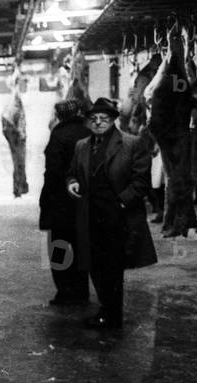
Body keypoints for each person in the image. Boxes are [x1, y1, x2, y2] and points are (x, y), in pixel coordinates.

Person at [66, 97, 157, 329]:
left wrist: (121, 203)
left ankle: (112, 315)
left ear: (113, 120)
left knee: (113, 268)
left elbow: (141, 182)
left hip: (118, 217)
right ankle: (105, 309)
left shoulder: (132, 143)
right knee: (94, 265)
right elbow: (72, 173)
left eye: (103, 119)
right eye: (94, 119)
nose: (98, 123)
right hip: (89, 215)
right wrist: (72, 182)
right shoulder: (81, 146)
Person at [40, 99, 91, 305]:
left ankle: (64, 292)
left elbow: (53, 171)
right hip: (82, 200)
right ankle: (82, 291)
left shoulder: (58, 135)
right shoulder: (88, 132)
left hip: (59, 203)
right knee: (81, 247)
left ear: (59, 115)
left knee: (59, 248)